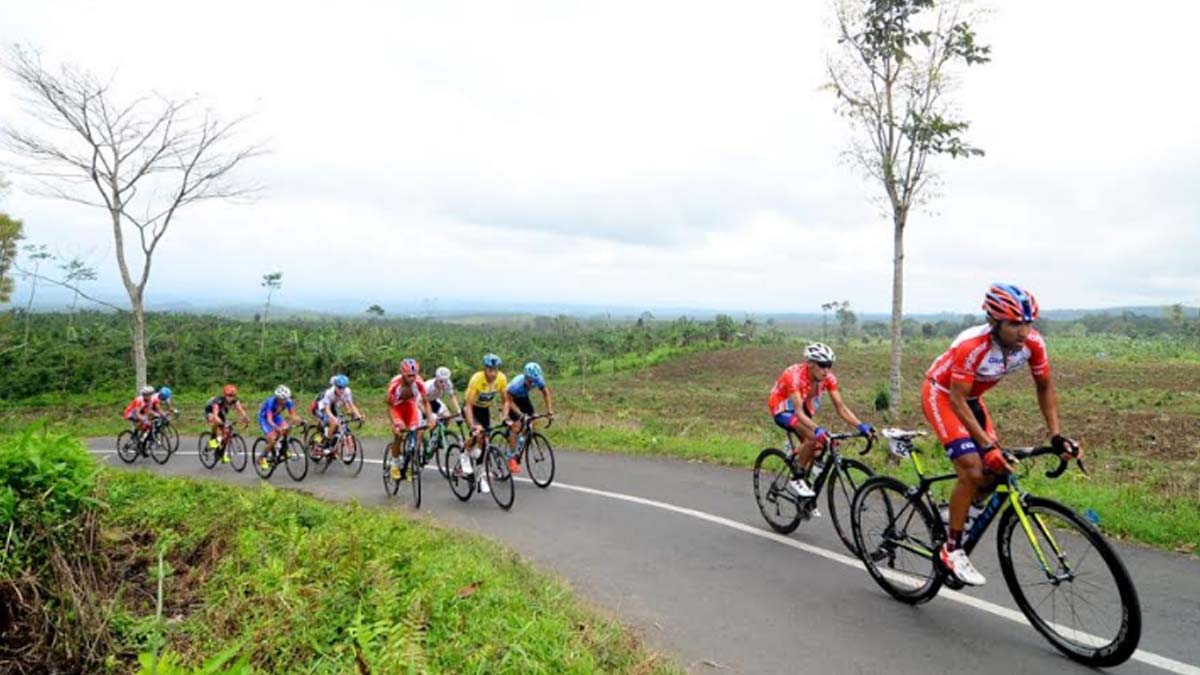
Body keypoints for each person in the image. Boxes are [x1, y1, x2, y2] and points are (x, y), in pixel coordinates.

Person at [922, 283, 1081, 586]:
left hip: (972, 400)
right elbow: (956, 399)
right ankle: (951, 550)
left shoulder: (1033, 343)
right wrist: (986, 444)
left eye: (1027, 322)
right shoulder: (972, 345)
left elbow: (1044, 386)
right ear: (995, 322)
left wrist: (1056, 435)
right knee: (972, 468)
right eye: (1014, 324)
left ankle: (956, 512)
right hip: (943, 395)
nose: (1023, 332)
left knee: (997, 469)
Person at [767, 343, 873, 499]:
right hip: (783, 408)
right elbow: (799, 413)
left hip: (804, 407)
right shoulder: (794, 376)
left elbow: (841, 408)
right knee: (812, 436)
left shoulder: (828, 378)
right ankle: (797, 477)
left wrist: (860, 425)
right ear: (810, 363)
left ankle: (800, 462)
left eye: (829, 365)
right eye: (823, 365)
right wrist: (817, 429)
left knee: (819, 446)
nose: (826, 370)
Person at [461, 353, 509, 488]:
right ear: (485, 369)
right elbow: (468, 406)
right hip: (471, 409)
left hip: (484, 409)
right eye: (490, 370)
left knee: (485, 442)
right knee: (478, 435)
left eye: (495, 369)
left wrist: (505, 417)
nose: (493, 373)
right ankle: (464, 454)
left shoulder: (501, 379)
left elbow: (506, 401)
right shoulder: (476, 379)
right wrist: (472, 426)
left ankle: (480, 474)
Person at [385, 358, 436, 481]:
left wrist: (430, 419)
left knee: (416, 430)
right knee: (400, 433)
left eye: (414, 375)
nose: (412, 378)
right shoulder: (394, 385)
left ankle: (410, 463)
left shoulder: (419, 383)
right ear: (402, 374)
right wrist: (393, 424)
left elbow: (425, 402)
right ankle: (395, 463)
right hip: (396, 408)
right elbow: (389, 406)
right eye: (409, 376)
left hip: (410, 406)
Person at [502, 362, 555, 474]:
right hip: (511, 399)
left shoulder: (538, 379)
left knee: (532, 421)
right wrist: (520, 415)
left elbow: (546, 393)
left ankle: (522, 440)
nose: (532, 384)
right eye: (530, 381)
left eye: (534, 381)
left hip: (524, 397)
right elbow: (509, 401)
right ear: (525, 377)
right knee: (516, 426)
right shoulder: (516, 385)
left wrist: (549, 411)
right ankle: (511, 457)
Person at [257, 385, 303, 471]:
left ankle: (283, 448)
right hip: (265, 418)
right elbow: (269, 420)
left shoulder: (288, 401)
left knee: (287, 428)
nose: (285, 401)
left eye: (286, 398)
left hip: (276, 416)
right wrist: (277, 428)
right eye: (283, 399)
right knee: (273, 438)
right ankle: (262, 458)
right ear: (277, 398)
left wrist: (301, 421)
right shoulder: (271, 403)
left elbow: (293, 415)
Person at [314, 374, 364, 451]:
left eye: (344, 387)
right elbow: (327, 410)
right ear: (335, 386)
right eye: (340, 387)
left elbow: (351, 405)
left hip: (332, 406)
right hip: (320, 406)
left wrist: (359, 416)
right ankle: (325, 442)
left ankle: (332, 442)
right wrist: (334, 419)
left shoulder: (347, 391)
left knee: (339, 423)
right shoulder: (329, 393)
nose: (342, 390)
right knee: (332, 422)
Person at [205, 384, 251, 462]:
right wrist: (221, 423)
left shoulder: (235, 400)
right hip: (211, 410)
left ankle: (220, 454)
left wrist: (246, 418)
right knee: (215, 420)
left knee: (226, 433)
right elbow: (216, 415)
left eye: (233, 395)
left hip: (221, 411)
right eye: (229, 395)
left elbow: (240, 410)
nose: (231, 397)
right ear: (225, 395)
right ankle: (212, 439)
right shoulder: (218, 400)